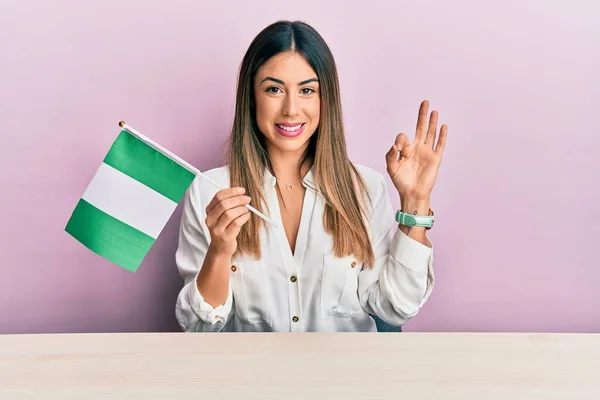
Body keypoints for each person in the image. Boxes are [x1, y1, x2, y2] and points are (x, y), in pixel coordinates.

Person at [175, 20, 447, 332]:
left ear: (325, 99)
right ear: (251, 97)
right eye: (274, 89)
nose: (291, 109)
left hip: (345, 376)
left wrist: (416, 201)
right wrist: (220, 250)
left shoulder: (365, 189)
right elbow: (199, 328)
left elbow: (397, 307)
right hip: (253, 377)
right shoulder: (209, 191)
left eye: (307, 90)